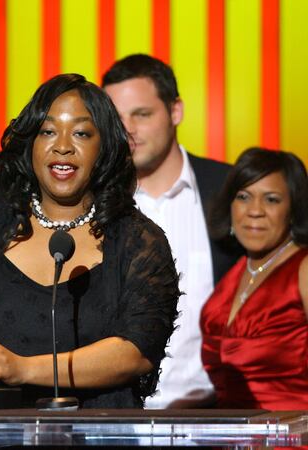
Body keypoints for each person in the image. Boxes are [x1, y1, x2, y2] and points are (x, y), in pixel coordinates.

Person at [0, 74, 179, 408]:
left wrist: (22, 368)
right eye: (47, 131)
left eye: (80, 133)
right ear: (30, 144)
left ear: (103, 147)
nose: (62, 145)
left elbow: (136, 353)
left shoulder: (137, 240)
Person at [102, 54, 241, 408]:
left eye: (142, 114)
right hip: (117, 422)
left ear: (175, 111)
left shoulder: (229, 190)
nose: (127, 129)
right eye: (116, 118)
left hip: (217, 421)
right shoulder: (93, 204)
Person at [201, 147, 308, 409]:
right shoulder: (235, 271)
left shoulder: (303, 268)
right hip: (227, 437)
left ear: (293, 209)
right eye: (244, 197)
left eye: (271, 199)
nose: (255, 210)